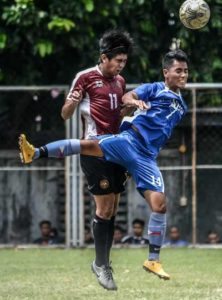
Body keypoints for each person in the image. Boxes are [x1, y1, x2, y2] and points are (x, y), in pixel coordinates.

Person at [19, 48, 189, 281]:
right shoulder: (155, 88)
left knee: (159, 205)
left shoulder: (183, 105)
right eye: (178, 70)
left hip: (146, 157)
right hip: (129, 141)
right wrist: (135, 102)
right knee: (87, 145)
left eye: (186, 71)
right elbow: (127, 97)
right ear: (166, 72)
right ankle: (35, 153)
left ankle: (153, 260)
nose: (183, 75)